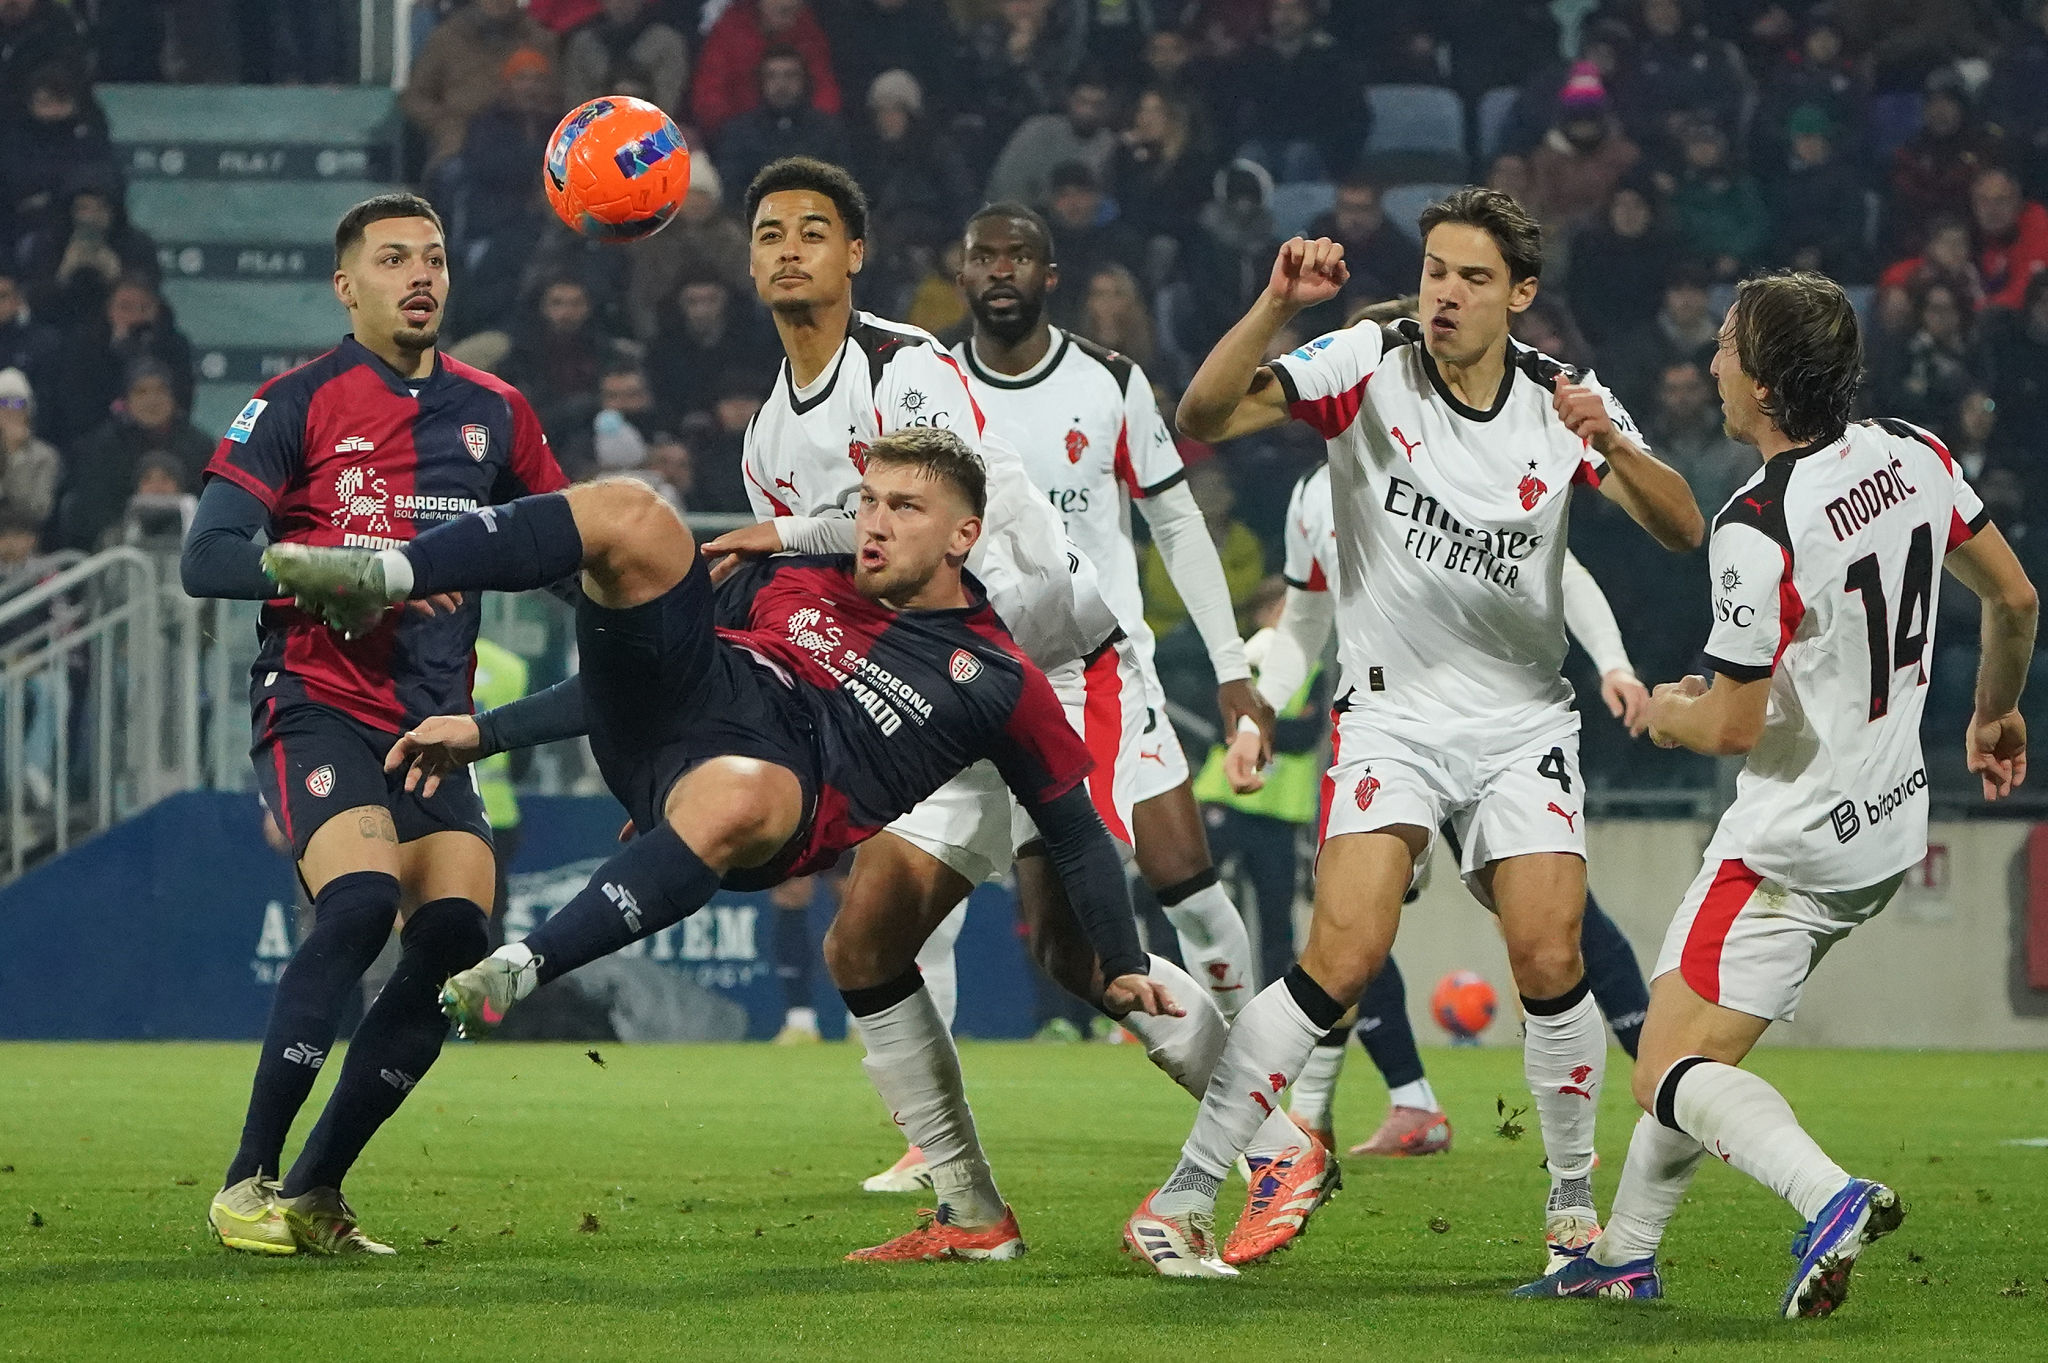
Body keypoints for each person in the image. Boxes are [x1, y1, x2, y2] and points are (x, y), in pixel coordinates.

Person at [267, 427, 1180, 1249]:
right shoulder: (788, 576)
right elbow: (636, 678)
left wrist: (1123, 953)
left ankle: (522, 967)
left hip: (774, 786)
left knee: (738, 798)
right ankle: (390, 572)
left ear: (961, 536)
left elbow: (1073, 824)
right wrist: (487, 728)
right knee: (636, 514)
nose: (874, 522)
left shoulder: (995, 677)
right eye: (868, 501)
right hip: (682, 712)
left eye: (905, 508)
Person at [1126, 189, 1703, 1278]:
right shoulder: (1365, 361)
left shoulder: (1558, 398)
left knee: (1548, 955)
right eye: (1435, 268)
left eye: (1472, 276)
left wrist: (1611, 446)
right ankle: (1186, 1194)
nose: (1444, 290)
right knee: (1338, 956)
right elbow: (1201, 415)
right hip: (1389, 715)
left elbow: (1680, 529)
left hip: (1521, 718)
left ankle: (1574, 1215)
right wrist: (1272, 303)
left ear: (1520, 295)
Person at [691, 157, 1249, 1256]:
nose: (789, 248)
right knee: (867, 943)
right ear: (748, 262)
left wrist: (789, 536)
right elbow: (829, 591)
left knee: (1098, 936)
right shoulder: (765, 435)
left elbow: (940, 508)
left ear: (855, 254)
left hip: (1044, 658)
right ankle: (971, 1213)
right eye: (768, 233)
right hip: (939, 688)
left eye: (814, 229)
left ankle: (1273, 1140)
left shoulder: (906, 368)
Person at [1516, 271, 2037, 1318]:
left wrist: (1663, 708)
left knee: (1659, 1066)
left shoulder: (1757, 522)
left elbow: (1730, 725)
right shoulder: (1915, 452)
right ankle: (1622, 1250)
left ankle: (1826, 1195)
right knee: (1695, 1057)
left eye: (1720, 347)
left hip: (1785, 842)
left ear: (1757, 384)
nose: (1709, 364)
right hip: (1887, 827)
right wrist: (1993, 714)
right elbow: (2014, 598)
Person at [178, 193, 569, 1258]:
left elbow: (564, 553)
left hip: (432, 728)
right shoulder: (295, 401)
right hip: (317, 703)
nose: (420, 275)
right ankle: (244, 1180)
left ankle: (315, 1188)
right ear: (346, 286)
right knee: (356, 906)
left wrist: (663, 616)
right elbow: (207, 556)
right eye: (393, 258)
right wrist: (336, 574)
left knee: (452, 941)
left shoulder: (498, 412)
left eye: (434, 257)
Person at [1232, 453, 1657, 1158]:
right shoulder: (1312, 492)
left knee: (1547, 928)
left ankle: (1662, 1075)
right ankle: (1376, 1106)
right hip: (1385, 727)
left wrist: (1612, 659)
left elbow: (1559, 568)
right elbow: (1305, 616)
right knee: (1352, 923)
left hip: (1495, 724)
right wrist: (1260, 713)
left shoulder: (1454, 458)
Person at [951, 204, 1261, 1028]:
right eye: (985, 257)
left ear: (1050, 278)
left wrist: (1231, 665)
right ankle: (924, 1135)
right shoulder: (930, 391)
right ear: (963, 274)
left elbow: (1177, 521)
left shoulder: (1109, 382)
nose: (1002, 270)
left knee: (1189, 888)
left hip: (1102, 671)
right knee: (926, 907)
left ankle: (1268, 1084)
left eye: (1020, 257)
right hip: (973, 680)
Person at [401, 0, 558, 171]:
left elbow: (557, 94)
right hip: (462, 142)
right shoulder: (448, 37)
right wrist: (447, 126)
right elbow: (415, 97)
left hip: (525, 138)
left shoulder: (538, 38)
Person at [560, 0, 689, 115]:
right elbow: (576, 107)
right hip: (597, 133)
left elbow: (668, 104)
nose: (620, 3)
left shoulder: (666, 42)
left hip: (650, 133)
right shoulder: (583, 44)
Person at [0, 366, 58, 525]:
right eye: (3, 402)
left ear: (28, 410)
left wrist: (15, 454)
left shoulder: (45, 456)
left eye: (18, 403)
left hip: (23, 537)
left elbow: (38, 511)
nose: (10, 410)